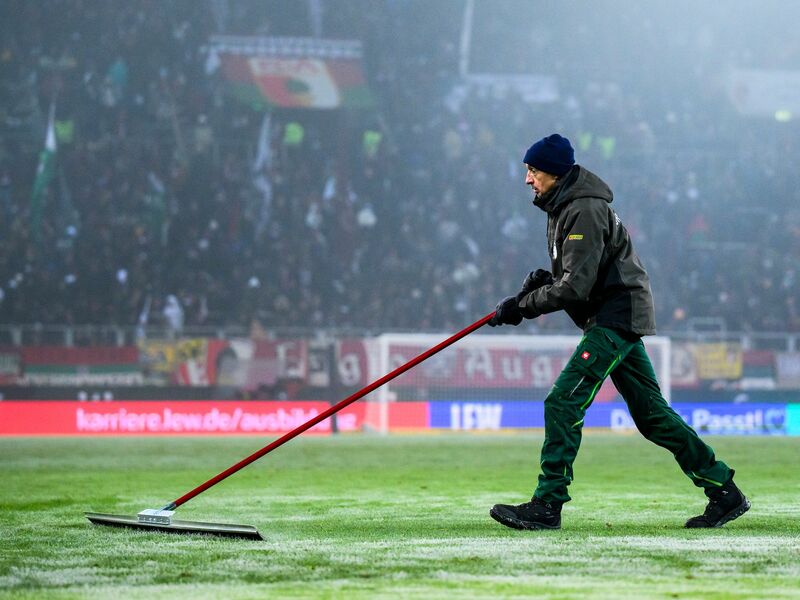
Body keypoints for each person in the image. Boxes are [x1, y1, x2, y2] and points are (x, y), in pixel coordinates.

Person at [487, 134, 749, 530]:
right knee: (653, 416)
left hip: (615, 316)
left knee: (562, 402)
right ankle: (725, 491)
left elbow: (576, 286)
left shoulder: (584, 209)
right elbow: (578, 273)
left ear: (556, 173)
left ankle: (547, 504)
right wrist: (542, 282)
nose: (527, 179)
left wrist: (522, 306)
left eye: (533, 171)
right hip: (614, 314)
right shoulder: (564, 207)